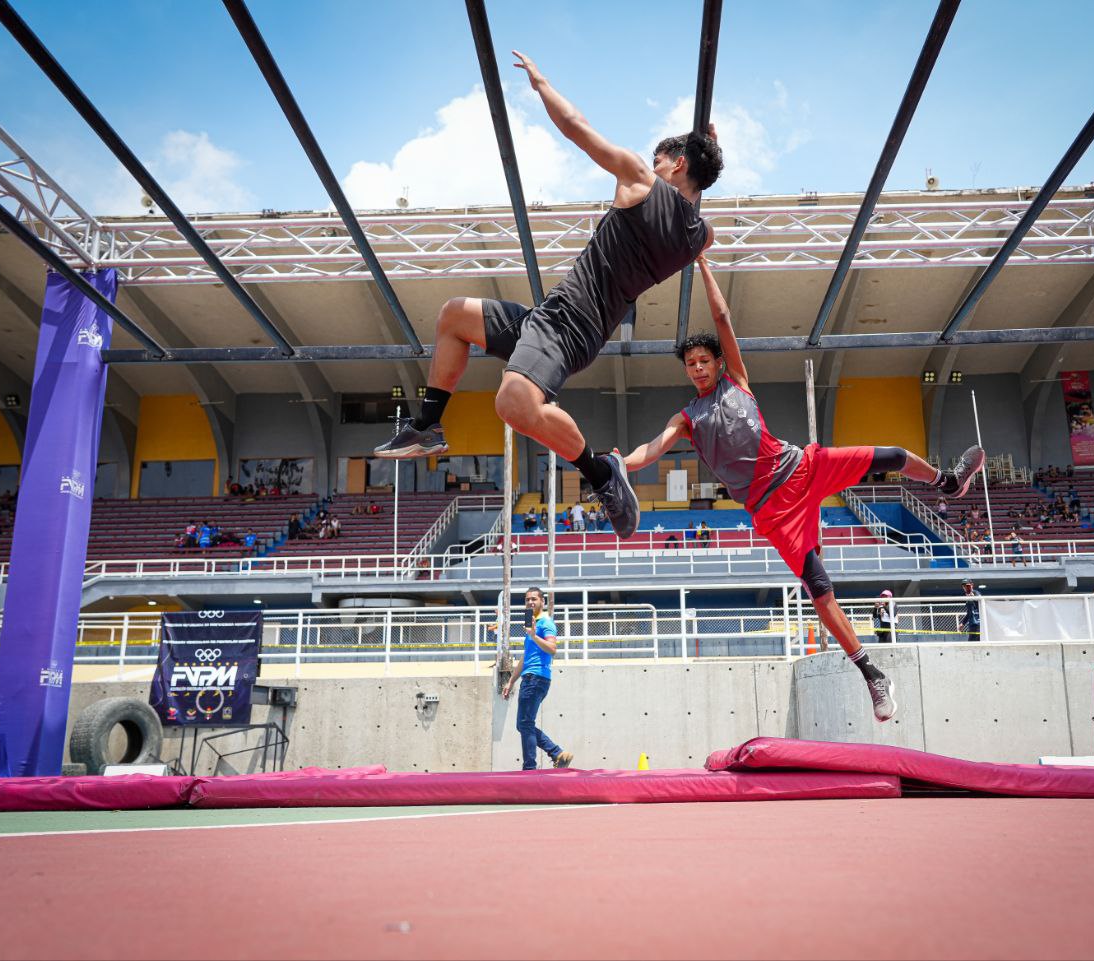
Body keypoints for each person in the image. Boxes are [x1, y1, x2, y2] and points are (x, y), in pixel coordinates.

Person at [373, 51, 723, 545]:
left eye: (662, 158)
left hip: (570, 327)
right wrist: (710, 149)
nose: (653, 163)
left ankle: (600, 472)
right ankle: (427, 425)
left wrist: (541, 85)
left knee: (512, 402)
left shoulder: (642, 182)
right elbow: (690, 204)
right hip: (551, 318)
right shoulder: (699, 238)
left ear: (676, 163)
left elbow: (576, 126)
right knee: (454, 316)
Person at [617, 254, 986, 722]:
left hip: (802, 468)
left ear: (717, 362)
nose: (696, 368)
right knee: (820, 590)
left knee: (892, 455)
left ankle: (948, 484)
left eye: (703, 360)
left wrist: (702, 261)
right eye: (689, 364)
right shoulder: (687, 419)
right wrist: (618, 463)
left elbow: (723, 317)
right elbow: (651, 449)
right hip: (774, 513)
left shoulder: (739, 383)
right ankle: (872, 674)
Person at [501, 587, 574, 771]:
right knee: (524, 724)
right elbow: (526, 657)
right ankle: (556, 753)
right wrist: (511, 681)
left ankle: (531, 768)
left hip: (536, 678)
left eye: (534, 599)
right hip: (531, 677)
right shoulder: (531, 623)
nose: (530, 602)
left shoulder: (545, 622)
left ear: (542, 601)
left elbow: (552, 648)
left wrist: (534, 635)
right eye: (527, 600)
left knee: (525, 724)